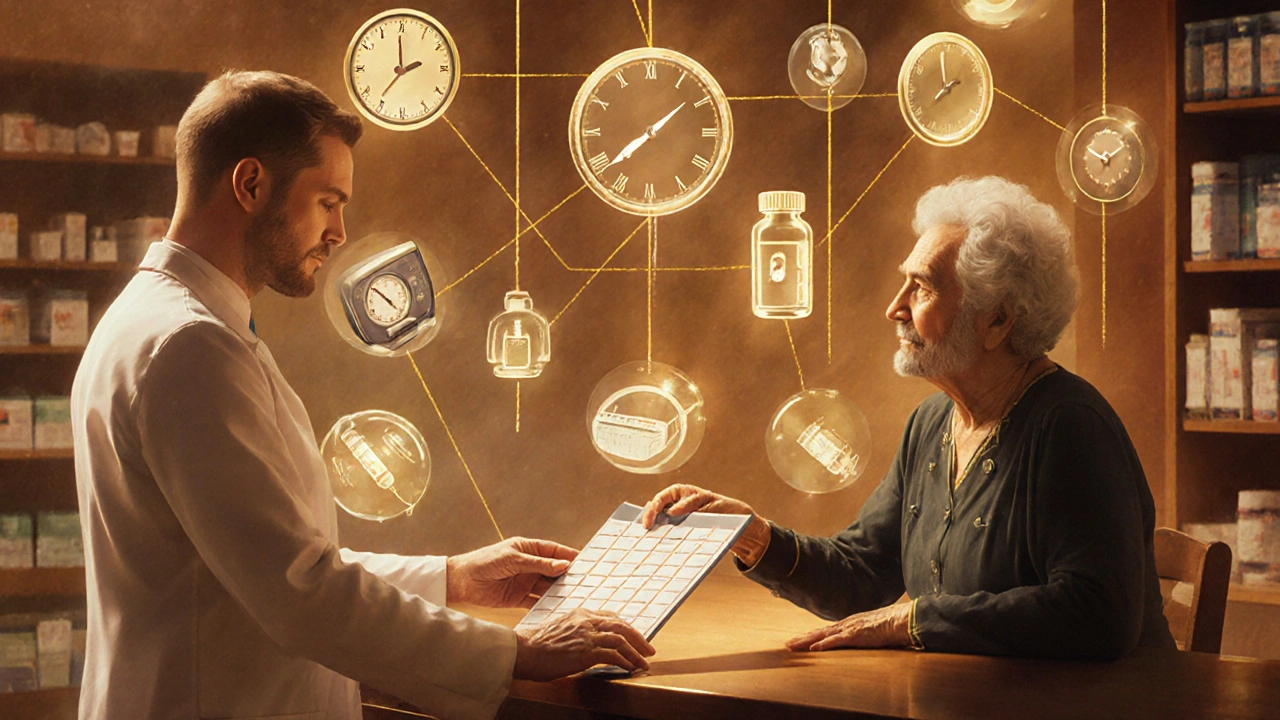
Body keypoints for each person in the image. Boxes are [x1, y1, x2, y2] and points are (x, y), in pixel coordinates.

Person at [71, 70, 652, 720]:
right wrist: (515, 652)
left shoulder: (156, 320)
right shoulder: (191, 347)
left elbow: (268, 560)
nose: (340, 232)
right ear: (251, 184)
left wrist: (451, 578)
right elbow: (300, 593)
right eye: (328, 201)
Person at [642, 176, 1175, 660]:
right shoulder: (931, 424)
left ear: (997, 320)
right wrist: (754, 536)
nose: (895, 307)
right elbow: (863, 577)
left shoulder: (1070, 426)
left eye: (922, 287)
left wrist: (916, 619)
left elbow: (1097, 616)